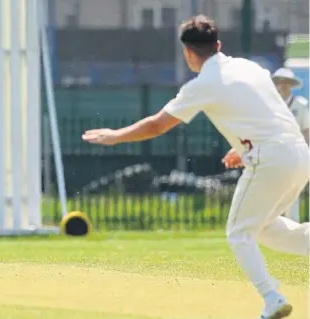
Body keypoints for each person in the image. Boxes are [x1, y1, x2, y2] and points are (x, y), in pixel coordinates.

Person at [82, 15, 308, 319]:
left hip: (270, 159)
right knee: (265, 228)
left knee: (238, 233)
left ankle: (271, 296)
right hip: (298, 154)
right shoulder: (249, 67)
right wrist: (244, 146)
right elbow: (270, 112)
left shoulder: (203, 84)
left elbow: (158, 124)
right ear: (218, 45)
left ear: (188, 52)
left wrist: (116, 136)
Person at [271, 67, 308, 222]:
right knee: (274, 195)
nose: (283, 85)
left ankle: (293, 229)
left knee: (292, 196)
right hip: (274, 156)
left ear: (292, 85)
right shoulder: (270, 105)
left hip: (295, 156)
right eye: (280, 82)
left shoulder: (300, 104)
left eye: (287, 82)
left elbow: (307, 131)